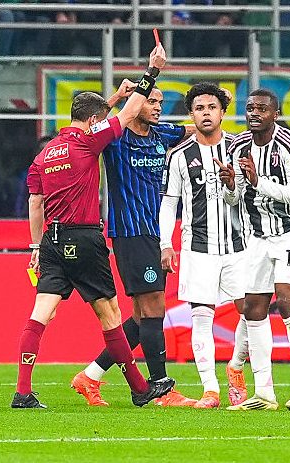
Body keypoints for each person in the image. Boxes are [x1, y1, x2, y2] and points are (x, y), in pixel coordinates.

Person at [11, 44, 173, 409]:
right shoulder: (87, 142)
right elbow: (127, 115)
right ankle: (139, 388)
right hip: (83, 237)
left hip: (50, 240)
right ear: (92, 121)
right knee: (110, 315)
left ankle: (23, 392)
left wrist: (34, 248)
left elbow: (35, 203)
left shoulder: (45, 154)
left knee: (41, 314)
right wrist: (151, 72)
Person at [70, 82, 198, 407]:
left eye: (160, 102)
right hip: (131, 232)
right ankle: (162, 390)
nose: (157, 107)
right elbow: (94, 126)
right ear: (135, 103)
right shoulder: (115, 138)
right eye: (150, 101)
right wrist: (117, 98)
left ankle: (90, 376)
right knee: (154, 308)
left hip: (155, 233)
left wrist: (220, 119)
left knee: (143, 318)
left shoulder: (161, 135)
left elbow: (195, 129)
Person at [222, 89, 290, 411]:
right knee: (253, 307)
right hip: (258, 236)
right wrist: (231, 185)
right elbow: (235, 199)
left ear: (275, 114)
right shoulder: (237, 146)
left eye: (262, 109)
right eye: (250, 108)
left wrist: (257, 181)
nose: (255, 113)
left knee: (287, 300)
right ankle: (264, 393)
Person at [159, 82, 251, 409]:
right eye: (199, 108)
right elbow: (169, 202)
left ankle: (235, 366)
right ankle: (210, 389)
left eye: (212, 107)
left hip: (240, 245)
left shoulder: (240, 150)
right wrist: (165, 243)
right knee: (201, 316)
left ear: (223, 112)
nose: (206, 113)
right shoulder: (179, 156)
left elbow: (248, 195)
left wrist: (233, 186)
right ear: (191, 115)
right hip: (197, 247)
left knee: (251, 312)